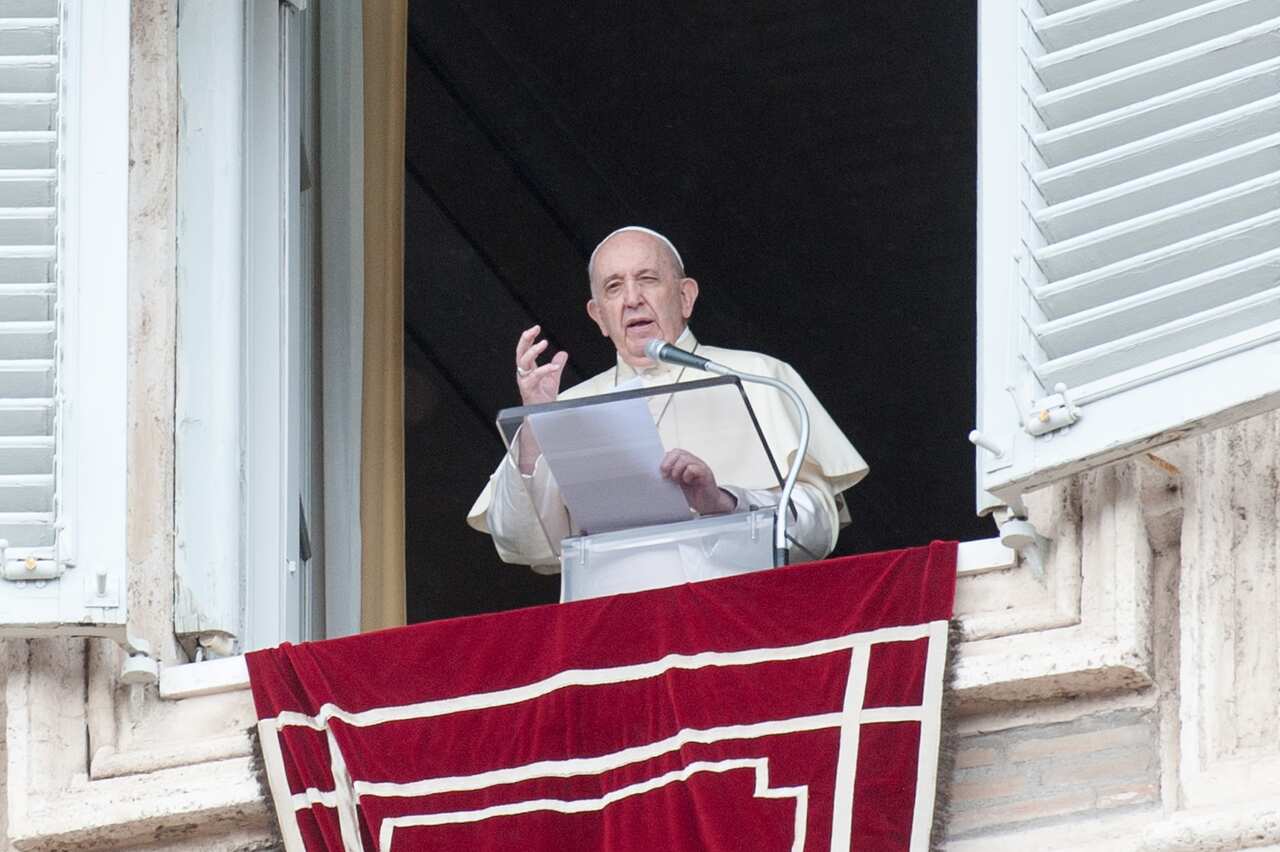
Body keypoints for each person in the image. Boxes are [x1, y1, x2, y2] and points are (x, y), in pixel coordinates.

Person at [466, 226, 868, 573]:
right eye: (613, 287)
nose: (632, 298)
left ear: (685, 296)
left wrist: (722, 503)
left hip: (737, 616)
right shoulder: (570, 405)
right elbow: (520, 544)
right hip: (615, 628)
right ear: (599, 316)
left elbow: (816, 532)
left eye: (648, 279)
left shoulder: (759, 376)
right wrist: (536, 425)